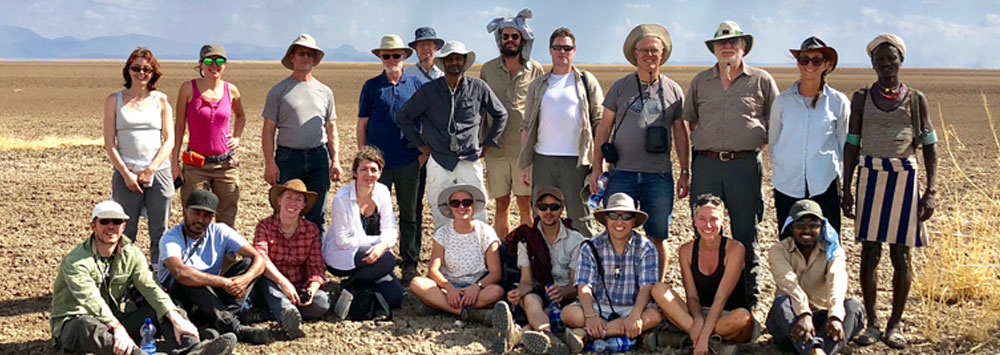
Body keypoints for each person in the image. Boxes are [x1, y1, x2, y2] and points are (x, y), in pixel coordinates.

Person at [841, 33, 937, 349]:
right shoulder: (861, 98)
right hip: (870, 176)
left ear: (901, 61)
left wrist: (931, 191)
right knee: (870, 251)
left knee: (901, 254)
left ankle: (894, 326)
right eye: (879, 60)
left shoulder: (915, 99)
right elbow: (852, 144)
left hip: (904, 181)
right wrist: (847, 187)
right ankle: (872, 323)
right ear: (872, 63)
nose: (886, 65)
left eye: (891, 59)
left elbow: (929, 146)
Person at [51, 201, 237, 355]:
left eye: (116, 222)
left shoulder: (131, 253)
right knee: (87, 324)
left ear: (123, 226)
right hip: (73, 325)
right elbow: (91, 300)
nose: (111, 226)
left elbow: (151, 287)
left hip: (113, 320)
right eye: (104, 221)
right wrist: (117, 328)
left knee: (165, 307)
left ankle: (192, 349)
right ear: (93, 226)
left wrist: (175, 317)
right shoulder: (76, 261)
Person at [682, 21, 779, 310]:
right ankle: (707, 302)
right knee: (705, 229)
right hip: (707, 165)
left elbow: (775, 122)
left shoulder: (761, 80)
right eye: (721, 43)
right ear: (713, 49)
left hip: (744, 166)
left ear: (743, 47)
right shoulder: (700, 82)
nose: (727, 47)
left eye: (733, 42)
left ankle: (749, 303)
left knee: (746, 233)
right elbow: (692, 121)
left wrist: (749, 145)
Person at [589, 24, 689, 281]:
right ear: (635, 54)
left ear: (662, 54)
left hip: (659, 176)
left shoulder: (674, 90)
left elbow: (680, 133)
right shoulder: (620, 87)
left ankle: (654, 290)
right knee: (617, 233)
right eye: (643, 50)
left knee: (657, 235)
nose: (649, 55)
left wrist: (685, 171)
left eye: (655, 50)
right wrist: (597, 168)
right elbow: (603, 129)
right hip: (622, 173)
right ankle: (615, 286)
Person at [396, 40, 508, 229]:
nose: (454, 62)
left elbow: (501, 114)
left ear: (464, 61)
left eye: (458, 58)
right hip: (439, 160)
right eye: (449, 59)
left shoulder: (478, 87)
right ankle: (445, 256)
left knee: (478, 210)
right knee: (441, 210)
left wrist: (488, 144)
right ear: (443, 63)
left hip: (469, 159)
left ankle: (480, 256)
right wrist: (420, 145)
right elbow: (404, 116)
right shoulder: (429, 91)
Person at [518, 27, 603, 238]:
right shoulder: (538, 85)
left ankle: (587, 265)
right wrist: (525, 163)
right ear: (550, 50)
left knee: (579, 216)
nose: (562, 52)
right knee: (543, 215)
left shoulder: (585, 81)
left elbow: (600, 122)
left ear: (574, 51)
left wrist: (598, 166)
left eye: (567, 48)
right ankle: (544, 266)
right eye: (558, 47)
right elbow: (527, 125)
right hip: (543, 160)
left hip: (576, 161)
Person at [157, 189, 270, 345]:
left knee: (248, 264)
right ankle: (233, 327)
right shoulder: (171, 238)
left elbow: (259, 258)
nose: (200, 219)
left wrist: (245, 279)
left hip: (211, 301)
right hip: (181, 301)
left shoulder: (220, 231)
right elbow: (179, 272)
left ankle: (214, 327)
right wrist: (223, 282)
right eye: (196, 213)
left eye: (207, 215)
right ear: (184, 210)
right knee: (189, 277)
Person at [358, 34, 427, 283]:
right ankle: (379, 262)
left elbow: (427, 120)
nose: (391, 59)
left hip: (409, 160)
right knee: (375, 213)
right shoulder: (371, 86)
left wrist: (423, 152)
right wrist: (364, 159)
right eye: (386, 56)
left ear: (405, 57)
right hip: (379, 165)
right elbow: (362, 123)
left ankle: (410, 264)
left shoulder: (416, 84)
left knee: (410, 213)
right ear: (380, 58)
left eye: (396, 55)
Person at [651, 194, 756, 355]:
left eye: (713, 219)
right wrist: (699, 320)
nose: (707, 225)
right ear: (694, 221)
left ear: (723, 222)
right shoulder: (686, 251)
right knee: (659, 289)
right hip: (698, 313)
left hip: (727, 316)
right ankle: (714, 344)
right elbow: (692, 297)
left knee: (743, 318)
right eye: (702, 219)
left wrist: (704, 333)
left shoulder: (735, 249)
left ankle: (690, 339)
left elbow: (721, 298)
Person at [560, 193, 662, 354]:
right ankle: (631, 334)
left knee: (654, 315)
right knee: (568, 314)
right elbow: (584, 285)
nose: (619, 221)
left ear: (634, 220)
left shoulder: (646, 247)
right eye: (613, 215)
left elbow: (646, 287)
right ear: (606, 219)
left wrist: (635, 315)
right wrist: (591, 316)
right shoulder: (590, 246)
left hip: (633, 307)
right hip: (597, 306)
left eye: (626, 216)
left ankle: (588, 334)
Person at [262, 33, 342, 233]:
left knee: (317, 214)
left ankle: (314, 262)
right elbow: (268, 129)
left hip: (318, 156)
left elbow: (331, 128)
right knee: (285, 211)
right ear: (292, 57)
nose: (306, 57)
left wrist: (335, 160)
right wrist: (270, 163)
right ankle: (282, 260)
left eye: (310, 54)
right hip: (288, 157)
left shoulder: (325, 92)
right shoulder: (278, 91)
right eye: (301, 53)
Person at [491, 186, 585, 354]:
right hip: (539, 291)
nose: (548, 212)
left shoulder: (575, 239)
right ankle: (553, 339)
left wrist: (562, 292)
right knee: (530, 301)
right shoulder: (527, 238)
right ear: (536, 209)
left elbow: (575, 285)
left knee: (540, 313)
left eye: (554, 207)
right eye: (543, 207)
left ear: (562, 209)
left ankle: (518, 335)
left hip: (565, 297)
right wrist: (517, 293)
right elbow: (526, 282)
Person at [769, 37, 848, 235]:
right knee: (788, 243)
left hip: (825, 183)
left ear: (827, 65)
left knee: (828, 243)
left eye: (816, 60)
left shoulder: (838, 102)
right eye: (804, 59)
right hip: (787, 184)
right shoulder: (782, 102)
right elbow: (774, 143)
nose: (809, 65)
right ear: (798, 63)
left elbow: (844, 142)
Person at [103, 47, 174, 265]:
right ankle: (123, 279)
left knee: (159, 230)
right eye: (136, 68)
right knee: (125, 230)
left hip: (158, 172)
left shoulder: (161, 100)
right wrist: (126, 174)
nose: (141, 73)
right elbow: (109, 142)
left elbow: (169, 140)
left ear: (153, 72)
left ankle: (158, 278)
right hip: (127, 173)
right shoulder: (114, 100)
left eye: (146, 69)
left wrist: (151, 169)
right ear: (128, 71)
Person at [767, 199, 865, 355]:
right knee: (782, 303)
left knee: (854, 306)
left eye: (813, 225)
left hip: (824, 317)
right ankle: (817, 349)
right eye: (800, 226)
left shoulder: (833, 250)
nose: (807, 230)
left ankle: (816, 350)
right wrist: (804, 314)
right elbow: (789, 284)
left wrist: (835, 317)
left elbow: (836, 282)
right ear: (791, 228)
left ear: (822, 227)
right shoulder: (778, 250)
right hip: (793, 319)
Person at [482, 8, 546, 239]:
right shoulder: (488, 70)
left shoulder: (536, 70)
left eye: (514, 36)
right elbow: (481, 109)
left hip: (524, 152)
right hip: (496, 149)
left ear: (523, 39)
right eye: (505, 36)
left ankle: (529, 253)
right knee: (501, 205)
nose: (509, 41)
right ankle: (505, 253)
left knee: (525, 205)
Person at [171, 44, 246, 230]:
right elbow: (179, 126)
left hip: (225, 166)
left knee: (226, 220)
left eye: (220, 61)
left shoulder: (232, 90)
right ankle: (191, 257)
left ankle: (226, 259)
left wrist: (236, 137)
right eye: (209, 61)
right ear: (201, 64)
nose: (215, 65)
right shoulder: (188, 89)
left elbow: (241, 116)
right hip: (196, 166)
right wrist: (174, 164)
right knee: (194, 218)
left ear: (225, 64)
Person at [244, 179, 329, 339]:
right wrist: (283, 283)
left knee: (322, 302)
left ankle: (269, 313)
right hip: (272, 282)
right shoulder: (264, 225)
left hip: (298, 287)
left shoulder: (311, 230)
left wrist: (311, 290)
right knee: (268, 282)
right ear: (279, 200)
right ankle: (285, 312)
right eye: (289, 197)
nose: (293, 203)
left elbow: (316, 267)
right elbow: (261, 256)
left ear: (304, 205)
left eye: (298, 199)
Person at [409, 184, 505, 324]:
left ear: (473, 205)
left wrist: (476, 287)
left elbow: (496, 272)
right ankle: (467, 313)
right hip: (448, 285)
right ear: (450, 208)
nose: (461, 207)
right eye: (455, 203)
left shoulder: (486, 232)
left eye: (466, 202)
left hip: (477, 286)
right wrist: (449, 288)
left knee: (496, 292)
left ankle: (440, 306)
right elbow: (433, 269)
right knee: (417, 283)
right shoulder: (442, 233)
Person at [324, 147, 404, 309]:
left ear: (380, 173)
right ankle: (355, 282)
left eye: (374, 170)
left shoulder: (382, 191)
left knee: (395, 298)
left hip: (375, 255)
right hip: (345, 254)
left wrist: (382, 245)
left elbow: (390, 229)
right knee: (388, 260)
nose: (369, 175)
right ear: (355, 173)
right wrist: (380, 245)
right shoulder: (342, 198)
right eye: (363, 169)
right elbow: (343, 241)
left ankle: (355, 285)